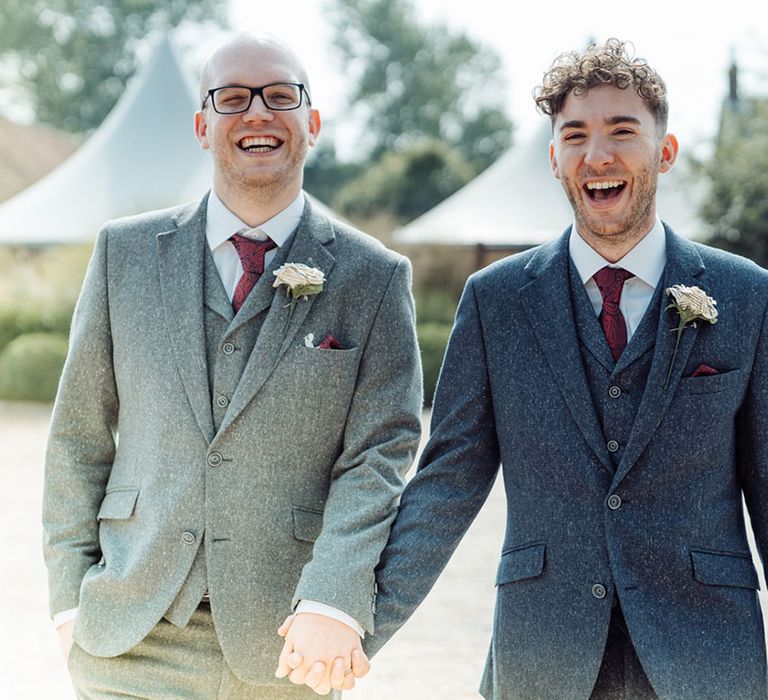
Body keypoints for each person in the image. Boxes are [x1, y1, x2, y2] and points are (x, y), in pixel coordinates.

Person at [363, 38, 768, 699]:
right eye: (574, 135)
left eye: (621, 131)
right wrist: (359, 622)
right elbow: (448, 481)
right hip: (542, 655)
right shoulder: (495, 300)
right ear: (554, 159)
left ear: (664, 152)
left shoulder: (746, 294)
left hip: (708, 658)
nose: (596, 154)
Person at [42, 32, 422, 699]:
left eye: (281, 95)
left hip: (287, 645)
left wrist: (334, 597)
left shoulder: (375, 278)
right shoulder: (123, 255)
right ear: (201, 125)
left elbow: (381, 452)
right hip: (129, 635)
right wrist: (69, 601)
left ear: (313, 122)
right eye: (232, 97)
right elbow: (78, 434)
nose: (257, 113)